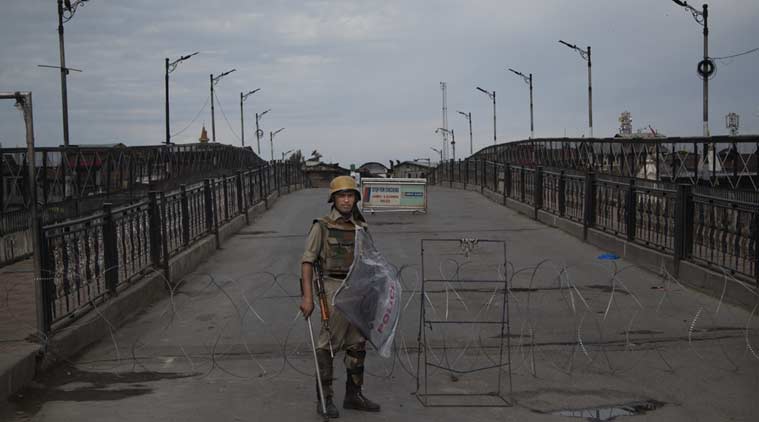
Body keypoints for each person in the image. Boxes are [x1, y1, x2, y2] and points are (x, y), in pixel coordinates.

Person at [300, 175, 381, 418]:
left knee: (358, 344)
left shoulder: (361, 227)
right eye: (341, 196)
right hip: (333, 289)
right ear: (333, 200)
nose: (346, 200)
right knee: (327, 345)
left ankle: (353, 395)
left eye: (350, 196)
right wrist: (308, 298)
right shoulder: (322, 226)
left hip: (358, 288)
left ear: (356, 199)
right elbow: (307, 262)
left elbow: (371, 260)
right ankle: (325, 400)